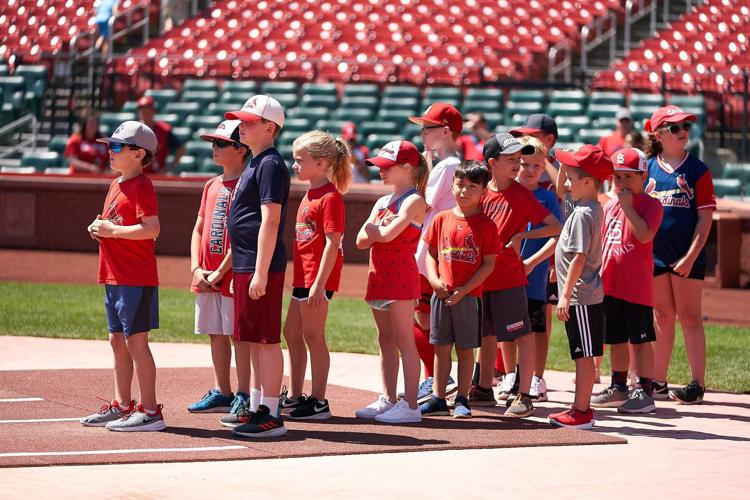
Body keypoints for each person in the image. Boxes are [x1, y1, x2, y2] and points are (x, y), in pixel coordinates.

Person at [80, 121, 165, 431]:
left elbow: (151, 228)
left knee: (136, 342)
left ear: (138, 153)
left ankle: (151, 411)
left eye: (117, 147)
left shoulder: (142, 186)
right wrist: (99, 226)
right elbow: (112, 221)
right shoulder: (116, 183)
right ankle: (122, 404)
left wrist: (112, 230)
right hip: (114, 275)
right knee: (117, 340)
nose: (110, 152)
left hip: (135, 276)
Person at [476, 133, 561, 418]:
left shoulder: (521, 194)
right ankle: (484, 388)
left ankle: (524, 394)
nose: (517, 164)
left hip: (510, 278)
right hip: (481, 278)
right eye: (511, 159)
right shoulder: (480, 192)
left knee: (522, 335)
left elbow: (554, 227)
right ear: (492, 163)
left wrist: (523, 234)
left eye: (519, 160)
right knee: (486, 336)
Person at [224, 95, 290, 437]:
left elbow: (271, 220)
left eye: (249, 121)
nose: (242, 126)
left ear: (269, 126)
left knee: (264, 339)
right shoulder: (256, 161)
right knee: (250, 337)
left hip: (258, 264)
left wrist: (261, 271)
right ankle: (256, 407)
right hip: (248, 263)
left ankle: (271, 413)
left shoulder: (270, 164)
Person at [644, 105, 716, 404]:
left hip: (686, 254)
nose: (683, 131)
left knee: (690, 317)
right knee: (661, 316)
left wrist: (690, 256)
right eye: (675, 128)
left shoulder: (698, 170)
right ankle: (658, 381)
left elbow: (705, 219)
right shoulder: (647, 168)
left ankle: (697, 384)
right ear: (658, 134)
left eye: (686, 126)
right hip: (655, 255)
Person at [419, 161, 500, 419]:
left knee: (465, 350)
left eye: (472, 187)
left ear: (483, 192)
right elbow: (431, 255)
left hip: (468, 297)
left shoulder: (486, 225)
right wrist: (433, 279)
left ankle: (463, 398)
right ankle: (438, 398)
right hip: (441, 295)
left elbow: (488, 265)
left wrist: (465, 289)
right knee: (440, 348)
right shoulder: (441, 219)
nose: (464, 191)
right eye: (460, 185)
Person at [355, 140, 428, 424]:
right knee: (385, 340)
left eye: (387, 167)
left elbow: (384, 235)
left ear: (407, 167)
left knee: (404, 340)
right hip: (380, 277)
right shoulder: (382, 201)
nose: (381, 172)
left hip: (401, 277)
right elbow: (362, 240)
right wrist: (377, 230)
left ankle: (410, 405)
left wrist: (377, 230)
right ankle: (389, 398)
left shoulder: (414, 200)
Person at [280, 130, 351, 420]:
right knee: (291, 333)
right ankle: (296, 395)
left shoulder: (331, 197)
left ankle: (319, 401)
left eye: (300, 160)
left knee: (313, 336)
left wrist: (319, 283)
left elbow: (333, 243)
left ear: (322, 163)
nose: (295, 165)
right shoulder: (310, 192)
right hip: (304, 278)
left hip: (317, 280)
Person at [186, 120, 253, 417]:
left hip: (231, 275)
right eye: (213, 143)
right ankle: (222, 390)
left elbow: (243, 235)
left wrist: (222, 270)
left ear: (241, 149)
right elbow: (199, 228)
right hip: (207, 272)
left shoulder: (247, 185)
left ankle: (244, 393)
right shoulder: (211, 185)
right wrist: (196, 268)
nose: (214, 148)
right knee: (216, 333)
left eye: (221, 143)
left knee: (238, 335)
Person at [591, 147, 663, 414]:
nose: (622, 183)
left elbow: (644, 236)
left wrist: (629, 207)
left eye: (629, 177)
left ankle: (644, 390)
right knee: (616, 339)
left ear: (643, 176)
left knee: (640, 340)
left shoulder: (651, 205)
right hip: (610, 283)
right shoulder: (608, 205)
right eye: (617, 177)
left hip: (636, 287)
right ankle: (618, 385)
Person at [548, 145, 613, 429]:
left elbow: (579, 257)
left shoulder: (584, 213)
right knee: (581, 352)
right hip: (579, 294)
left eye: (573, 177)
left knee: (584, 355)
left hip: (580, 297)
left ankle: (581, 411)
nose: (566, 182)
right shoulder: (584, 208)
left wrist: (564, 294)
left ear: (588, 182)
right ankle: (580, 406)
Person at [408, 103, 463, 403]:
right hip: (438, 249)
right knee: (425, 317)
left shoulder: (448, 166)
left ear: (445, 131)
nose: (422, 133)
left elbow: (422, 206)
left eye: (428, 128)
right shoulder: (448, 165)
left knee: (420, 316)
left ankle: (435, 377)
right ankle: (437, 377)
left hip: (432, 250)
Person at [513, 136, 562, 403]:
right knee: (506, 330)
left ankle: (535, 378)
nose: (530, 170)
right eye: (524, 164)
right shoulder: (504, 193)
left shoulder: (547, 198)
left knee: (534, 329)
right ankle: (511, 375)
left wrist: (532, 262)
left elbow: (558, 235)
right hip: (505, 276)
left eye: (537, 166)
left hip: (536, 276)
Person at [137, 95, 185, 174]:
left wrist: (170, 167)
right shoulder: (132, 130)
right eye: (142, 110)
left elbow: (180, 149)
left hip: (157, 176)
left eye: (148, 110)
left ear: (153, 111)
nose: (145, 113)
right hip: (137, 175)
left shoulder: (163, 130)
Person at [65, 108, 109, 174]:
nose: (94, 125)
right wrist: (90, 168)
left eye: (96, 122)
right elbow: (71, 160)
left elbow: (109, 160)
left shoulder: (103, 141)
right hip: (79, 179)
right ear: (84, 124)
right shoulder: (76, 139)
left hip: (99, 179)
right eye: (91, 122)